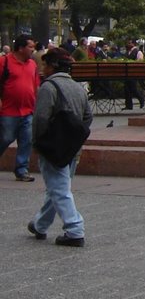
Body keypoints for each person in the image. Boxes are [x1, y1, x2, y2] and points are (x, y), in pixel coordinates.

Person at [28, 48, 92, 246]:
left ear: (52, 67)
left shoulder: (49, 87)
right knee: (58, 187)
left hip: (53, 146)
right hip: (73, 147)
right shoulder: (78, 88)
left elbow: (40, 118)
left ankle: (74, 229)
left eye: (45, 65)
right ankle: (40, 224)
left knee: (59, 189)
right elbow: (88, 117)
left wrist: (37, 141)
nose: (43, 69)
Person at [0, 34, 39, 181]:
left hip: (27, 110)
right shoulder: (4, 62)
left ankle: (22, 169)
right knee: (5, 138)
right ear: (21, 48)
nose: (33, 50)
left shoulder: (32, 64)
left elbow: (35, 86)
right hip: (8, 110)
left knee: (26, 140)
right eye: (30, 47)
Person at [123, 39, 145, 111]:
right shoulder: (128, 52)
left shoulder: (138, 52)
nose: (128, 44)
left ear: (133, 44)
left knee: (133, 88)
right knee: (127, 89)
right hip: (127, 73)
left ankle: (141, 99)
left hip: (134, 73)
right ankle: (129, 105)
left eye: (129, 43)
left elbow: (140, 62)